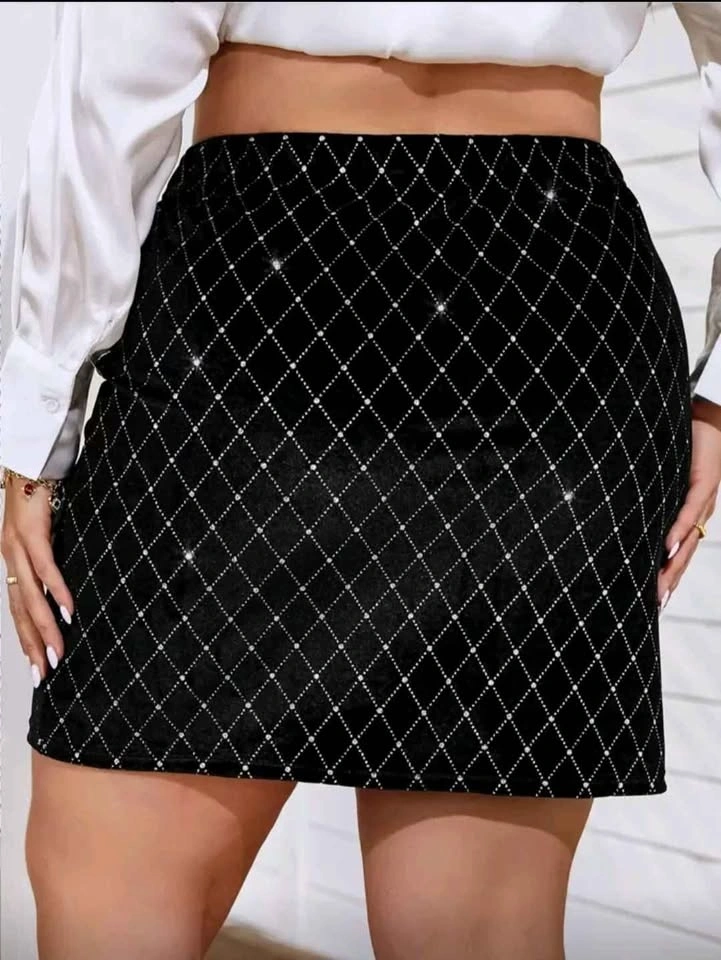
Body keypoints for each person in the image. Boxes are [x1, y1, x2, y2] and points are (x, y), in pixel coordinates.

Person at [1, 2, 720, 958]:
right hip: (515, 307)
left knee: (119, 899)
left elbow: (111, 81)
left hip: (279, 289)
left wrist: (42, 414)